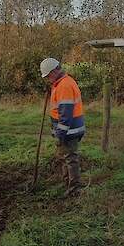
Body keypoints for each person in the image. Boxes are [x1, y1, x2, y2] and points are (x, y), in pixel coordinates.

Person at [39, 57, 86, 196]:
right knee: (66, 157)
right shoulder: (61, 84)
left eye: (48, 76)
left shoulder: (64, 86)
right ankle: (68, 184)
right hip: (68, 131)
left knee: (70, 159)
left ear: (54, 72)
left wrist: (60, 134)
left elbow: (65, 115)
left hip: (69, 131)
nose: (48, 79)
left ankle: (74, 189)